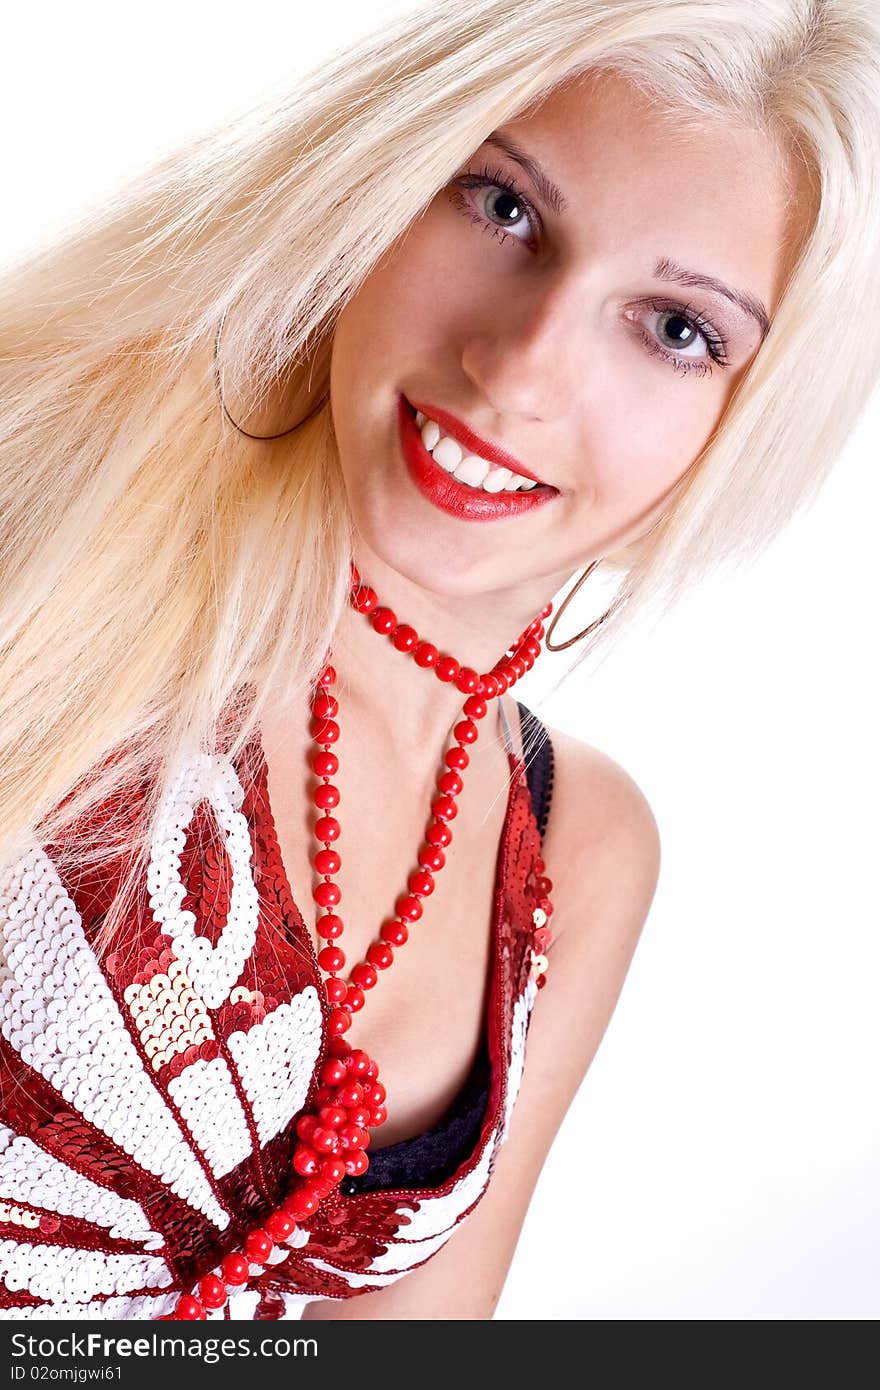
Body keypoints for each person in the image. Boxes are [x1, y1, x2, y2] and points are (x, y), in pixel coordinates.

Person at [1, 0, 878, 1321]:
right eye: (503, 207)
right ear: (388, 173)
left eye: (675, 328)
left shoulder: (582, 849)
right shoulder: (52, 528)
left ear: (746, 428)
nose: (517, 368)